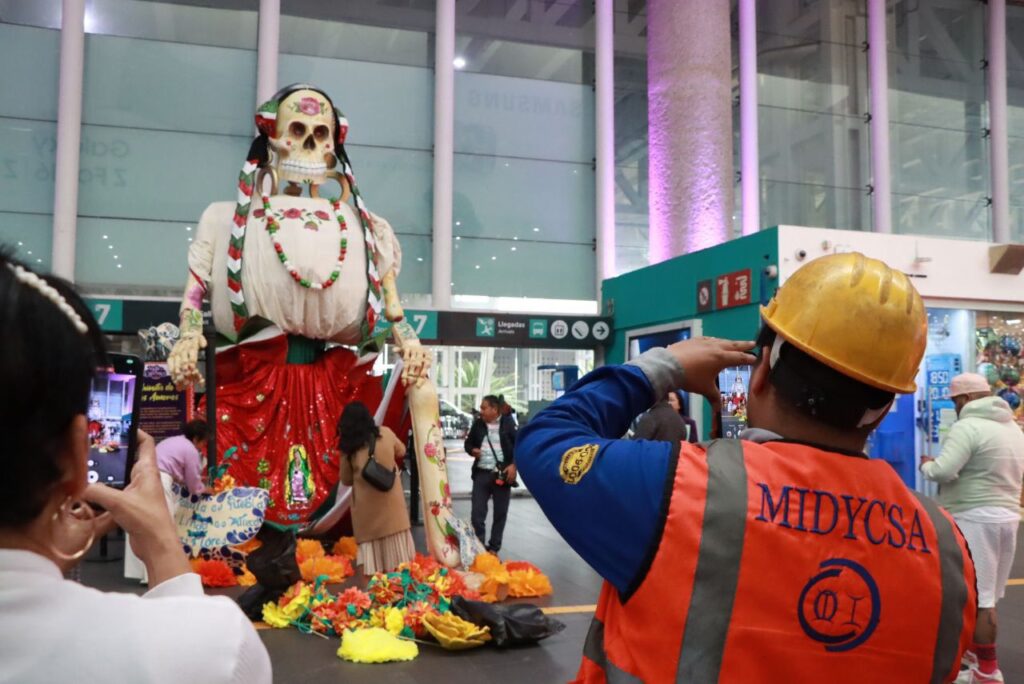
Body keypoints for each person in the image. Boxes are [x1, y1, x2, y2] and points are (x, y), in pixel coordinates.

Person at [516, 252, 977, 682]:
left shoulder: (675, 491)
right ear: (883, 407)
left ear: (761, 372)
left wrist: (661, 367)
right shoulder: (946, 546)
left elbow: (545, 440)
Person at [0, 254, 271, 683]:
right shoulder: (211, 648)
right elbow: (195, 484)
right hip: (150, 491)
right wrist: (164, 541)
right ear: (76, 454)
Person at [921, 373, 1024, 683]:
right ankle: (973, 654)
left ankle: (987, 672)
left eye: (955, 401)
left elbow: (943, 470)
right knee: (985, 595)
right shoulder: (1012, 428)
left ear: (965, 399)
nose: (955, 407)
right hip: (1006, 517)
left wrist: (927, 463)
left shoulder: (967, 427)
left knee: (981, 600)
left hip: (973, 517)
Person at [337, 402, 415, 574]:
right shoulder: (385, 433)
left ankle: (377, 598)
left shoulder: (348, 447)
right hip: (392, 509)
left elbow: (346, 480)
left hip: (367, 515)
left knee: (374, 573)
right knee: (400, 568)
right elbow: (401, 451)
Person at [464, 395, 517, 553]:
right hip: (481, 474)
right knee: (477, 515)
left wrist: (514, 465)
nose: (481, 411)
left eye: (484, 408)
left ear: (494, 409)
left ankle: (493, 549)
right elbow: (468, 443)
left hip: (502, 475)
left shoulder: (508, 424)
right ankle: (479, 549)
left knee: (500, 513)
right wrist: (472, 450)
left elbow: (519, 446)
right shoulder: (478, 424)